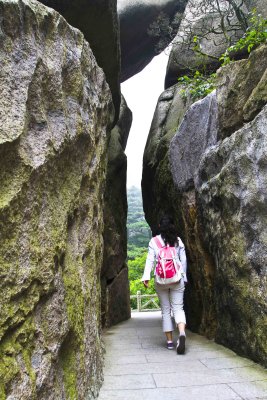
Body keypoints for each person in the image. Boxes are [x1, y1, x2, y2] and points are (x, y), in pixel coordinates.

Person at [141, 215, 187, 354]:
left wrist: (146, 277)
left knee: (166, 310)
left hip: (161, 280)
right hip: (176, 279)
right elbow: (183, 260)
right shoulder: (178, 241)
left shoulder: (154, 241)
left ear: (159, 227)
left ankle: (169, 342)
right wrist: (184, 277)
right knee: (178, 308)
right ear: (173, 225)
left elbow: (150, 260)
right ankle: (182, 333)